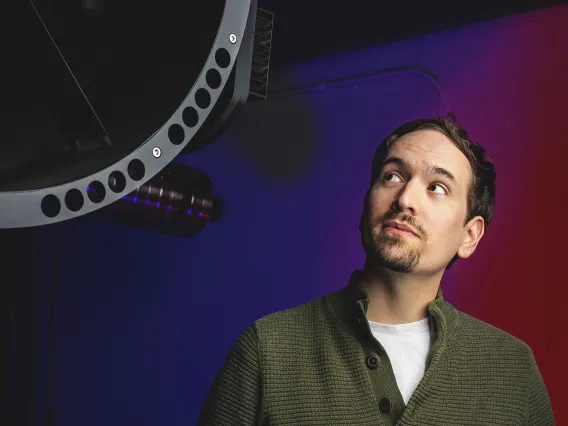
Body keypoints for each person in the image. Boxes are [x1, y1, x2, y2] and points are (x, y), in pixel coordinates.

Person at [197, 114, 555, 425]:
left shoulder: (512, 370)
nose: (405, 199)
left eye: (437, 187)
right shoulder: (268, 349)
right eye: (393, 176)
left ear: (470, 235)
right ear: (366, 201)